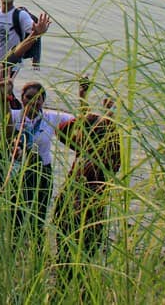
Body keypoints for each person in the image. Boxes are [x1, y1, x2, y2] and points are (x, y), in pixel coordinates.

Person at [52, 79, 120, 284]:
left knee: (71, 256)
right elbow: (93, 130)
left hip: (79, 214)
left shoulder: (92, 160)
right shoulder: (102, 157)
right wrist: (85, 99)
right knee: (79, 258)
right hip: (84, 215)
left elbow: (66, 130)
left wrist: (106, 115)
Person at [9, 82, 75, 235]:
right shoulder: (12, 116)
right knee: (15, 217)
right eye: (29, 97)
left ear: (43, 100)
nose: (33, 102)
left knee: (38, 217)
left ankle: (37, 250)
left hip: (42, 172)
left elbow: (80, 120)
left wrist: (83, 95)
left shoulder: (51, 118)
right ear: (22, 98)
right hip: (18, 171)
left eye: (37, 98)